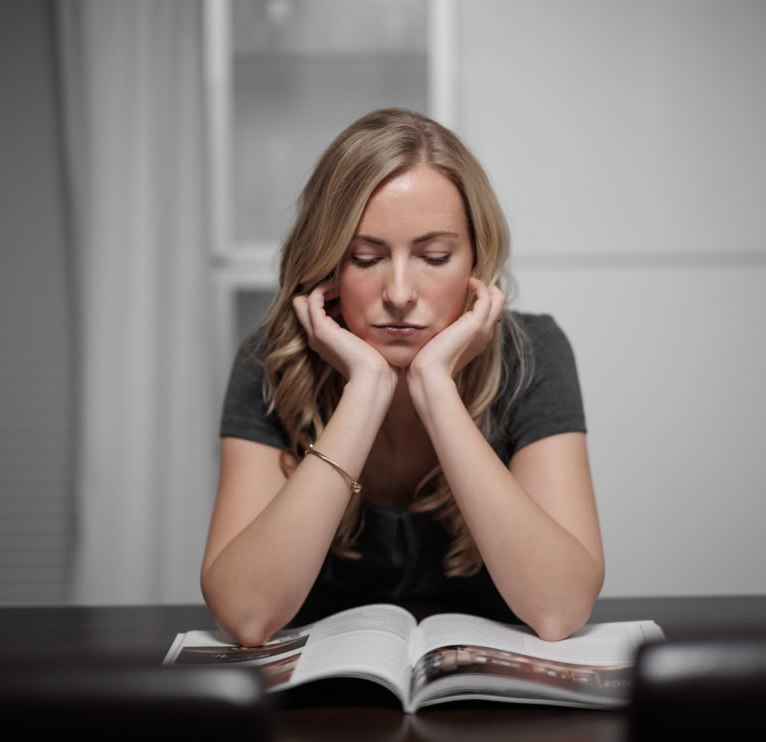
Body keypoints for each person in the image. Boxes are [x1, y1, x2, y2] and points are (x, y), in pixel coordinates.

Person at [201, 108, 603, 646]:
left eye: (433, 257)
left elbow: (559, 608)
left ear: (476, 261)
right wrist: (365, 390)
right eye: (365, 258)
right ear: (327, 268)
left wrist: (436, 388)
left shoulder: (534, 353)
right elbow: (245, 615)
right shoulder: (269, 362)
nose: (398, 293)